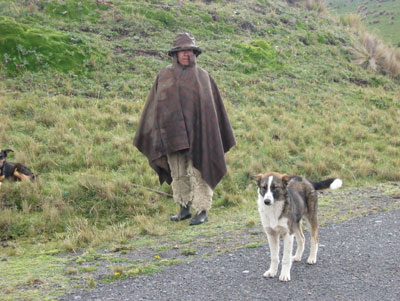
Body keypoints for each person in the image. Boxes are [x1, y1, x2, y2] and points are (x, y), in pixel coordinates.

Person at [133, 33, 236, 225]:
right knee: (178, 171)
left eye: (190, 51)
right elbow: (155, 105)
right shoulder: (164, 75)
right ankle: (184, 208)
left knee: (198, 170)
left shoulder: (203, 77)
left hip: (199, 134)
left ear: (195, 53)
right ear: (175, 54)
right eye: (182, 51)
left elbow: (210, 110)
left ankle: (202, 210)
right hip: (171, 133)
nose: (186, 55)